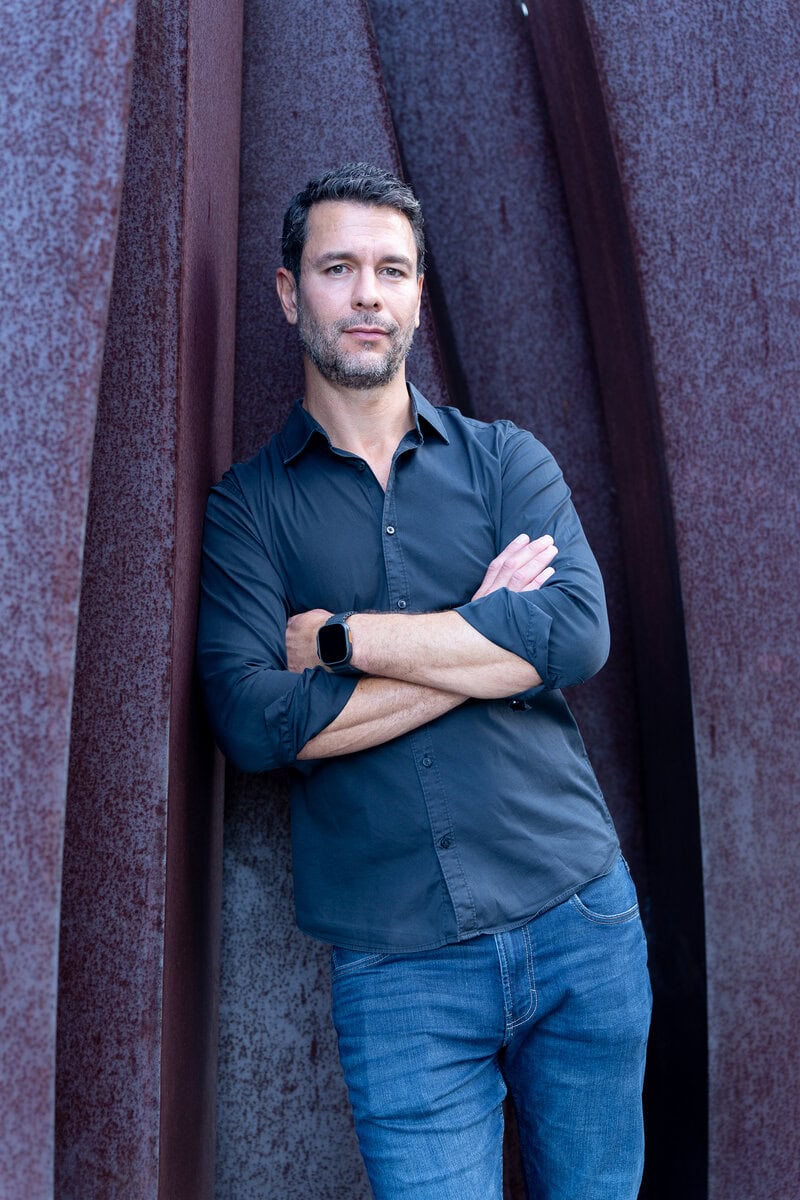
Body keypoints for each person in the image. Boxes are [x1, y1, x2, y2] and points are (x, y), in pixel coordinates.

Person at [198, 162, 652, 1199]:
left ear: (416, 294)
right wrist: (485, 639)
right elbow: (255, 726)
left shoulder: (505, 465)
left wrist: (341, 640)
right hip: (399, 970)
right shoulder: (249, 512)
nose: (367, 294)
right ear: (287, 292)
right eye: (338, 267)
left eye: (391, 270)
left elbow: (575, 639)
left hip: (578, 922)